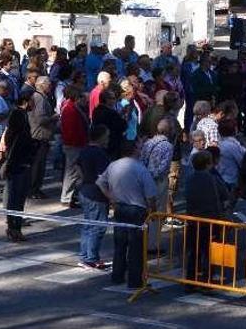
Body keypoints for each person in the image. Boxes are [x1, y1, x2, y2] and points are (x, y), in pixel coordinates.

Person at [98, 141, 158, 289]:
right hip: (137, 209)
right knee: (136, 247)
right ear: (134, 151)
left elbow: (100, 182)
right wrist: (153, 210)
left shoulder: (113, 165)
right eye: (138, 148)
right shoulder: (140, 168)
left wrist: (111, 197)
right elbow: (150, 194)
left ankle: (117, 275)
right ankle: (135, 280)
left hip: (120, 207)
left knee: (120, 244)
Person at [184, 150, 228, 283]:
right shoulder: (212, 178)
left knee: (194, 251)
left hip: (193, 218)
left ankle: (191, 280)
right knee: (210, 251)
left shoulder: (190, 178)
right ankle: (207, 280)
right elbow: (224, 194)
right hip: (210, 218)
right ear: (208, 164)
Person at [0, 91, 36, 242]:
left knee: (17, 197)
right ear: (26, 102)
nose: (34, 104)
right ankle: (14, 227)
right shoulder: (18, 116)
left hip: (19, 161)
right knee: (17, 197)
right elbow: (16, 140)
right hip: (18, 163)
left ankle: (14, 226)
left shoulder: (20, 115)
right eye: (32, 101)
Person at [75, 125, 112, 269]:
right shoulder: (99, 153)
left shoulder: (85, 150)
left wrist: (84, 178)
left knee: (89, 224)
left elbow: (77, 166)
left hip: (85, 190)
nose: (108, 139)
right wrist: (110, 196)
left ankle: (85, 256)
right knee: (98, 226)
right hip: (96, 193)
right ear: (101, 137)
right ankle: (91, 258)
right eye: (107, 136)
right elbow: (101, 178)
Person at [141, 118, 174, 241]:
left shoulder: (148, 143)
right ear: (169, 131)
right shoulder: (168, 146)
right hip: (158, 182)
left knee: (146, 210)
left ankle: (143, 239)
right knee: (158, 212)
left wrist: (145, 176)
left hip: (145, 179)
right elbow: (163, 167)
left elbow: (142, 160)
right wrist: (153, 176)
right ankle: (152, 243)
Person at [27, 77, 57, 200]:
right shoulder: (39, 98)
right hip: (39, 135)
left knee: (39, 164)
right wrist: (53, 117)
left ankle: (35, 188)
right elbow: (40, 119)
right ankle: (33, 189)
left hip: (41, 134)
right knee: (37, 165)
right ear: (42, 85)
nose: (50, 86)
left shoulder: (40, 97)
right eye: (49, 84)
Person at [60, 86, 89, 205]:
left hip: (78, 143)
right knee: (71, 172)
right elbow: (70, 129)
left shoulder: (73, 107)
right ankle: (66, 197)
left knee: (75, 172)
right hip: (73, 144)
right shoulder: (69, 108)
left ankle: (71, 195)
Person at [92, 90, 127, 160]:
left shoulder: (96, 111)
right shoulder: (111, 113)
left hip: (101, 143)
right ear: (107, 100)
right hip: (112, 145)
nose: (115, 100)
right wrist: (124, 116)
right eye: (113, 98)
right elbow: (122, 126)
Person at [216, 119, 244, 193]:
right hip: (230, 179)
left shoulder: (220, 143)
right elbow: (242, 161)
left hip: (222, 176)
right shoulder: (232, 146)